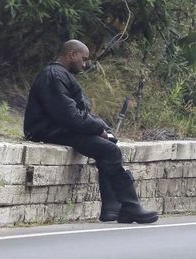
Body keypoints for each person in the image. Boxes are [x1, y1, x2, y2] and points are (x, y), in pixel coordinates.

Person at [24, 39, 158, 224]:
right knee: (109, 150)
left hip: (60, 129)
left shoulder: (61, 74)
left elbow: (78, 112)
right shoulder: (53, 76)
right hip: (47, 131)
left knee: (109, 145)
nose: (84, 64)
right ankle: (130, 206)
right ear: (72, 54)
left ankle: (112, 209)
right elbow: (69, 116)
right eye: (83, 58)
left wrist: (101, 127)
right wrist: (97, 128)